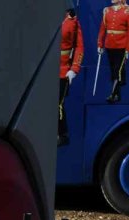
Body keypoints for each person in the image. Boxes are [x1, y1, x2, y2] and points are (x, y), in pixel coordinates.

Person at [98, 0, 129, 103]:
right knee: (113, 70)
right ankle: (117, 95)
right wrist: (100, 44)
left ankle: (113, 94)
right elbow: (103, 28)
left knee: (117, 70)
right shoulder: (107, 11)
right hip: (109, 45)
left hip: (121, 45)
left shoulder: (127, 11)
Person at [59, 5, 84, 146]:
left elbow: (79, 46)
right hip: (43, 70)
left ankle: (62, 134)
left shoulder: (72, 21)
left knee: (57, 104)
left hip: (63, 70)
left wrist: (74, 68)